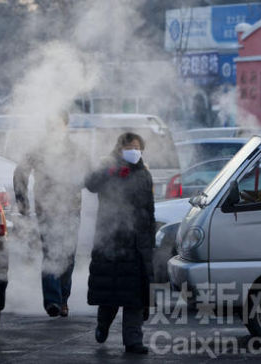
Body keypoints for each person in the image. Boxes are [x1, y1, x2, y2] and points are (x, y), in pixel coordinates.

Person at [84, 132, 155, 354]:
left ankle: (133, 341)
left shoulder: (145, 173)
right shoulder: (108, 167)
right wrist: (109, 171)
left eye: (137, 147)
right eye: (129, 147)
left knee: (134, 296)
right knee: (112, 293)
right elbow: (90, 184)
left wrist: (150, 238)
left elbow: (149, 208)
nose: (134, 151)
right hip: (112, 241)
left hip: (137, 244)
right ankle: (103, 325)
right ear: (120, 149)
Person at [13, 111, 87, 318]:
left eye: (59, 125)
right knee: (51, 253)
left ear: (66, 126)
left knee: (68, 256)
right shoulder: (38, 149)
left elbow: (88, 172)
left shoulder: (75, 150)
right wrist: (22, 201)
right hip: (47, 209)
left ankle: (64, 299)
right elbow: (20, 172)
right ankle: (52, 301)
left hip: (71, 209)